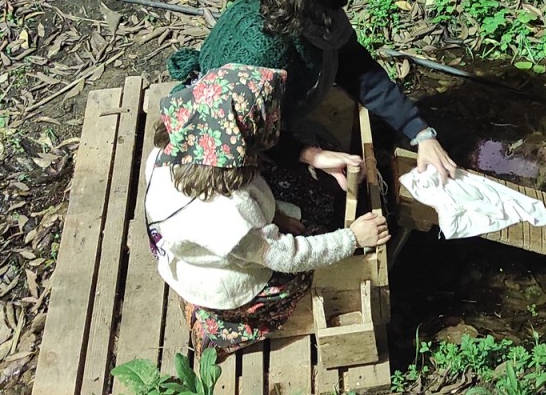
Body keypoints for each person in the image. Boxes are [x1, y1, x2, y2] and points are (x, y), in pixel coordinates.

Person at [166, 0, 459, 215]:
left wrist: (419, 131)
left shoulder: (309, 8)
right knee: (314, 205)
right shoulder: (260, 53)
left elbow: (357, 68)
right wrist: (308, 154)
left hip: (272, 114)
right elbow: (241, 135)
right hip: (227, 145)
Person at [142, 63, 390, 358]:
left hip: (203, 251)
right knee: (300, 274)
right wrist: (351, 238)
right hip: (223, 280)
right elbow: (287, 256)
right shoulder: (229, 214)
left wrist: (276, 217)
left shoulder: (169, 155)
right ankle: (223, 327)